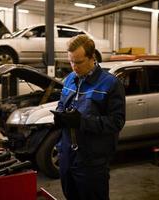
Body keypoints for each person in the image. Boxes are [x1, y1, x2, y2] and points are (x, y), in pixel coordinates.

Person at [52, 34, 125, 200]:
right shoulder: (70, 79)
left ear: (92, 58)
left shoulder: (110, 84)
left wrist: (82, 122)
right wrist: (60, 115)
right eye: (70, 62)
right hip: (67, 155)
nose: (74, 67)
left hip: (92, 160)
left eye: (78, 62)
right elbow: (62, 103)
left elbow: (116, 122)